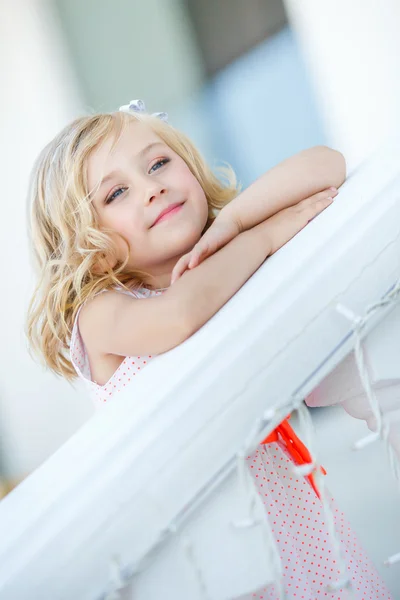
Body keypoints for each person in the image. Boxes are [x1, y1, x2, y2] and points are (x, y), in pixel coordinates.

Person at [26, 100, 392, 599]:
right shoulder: (98, 315)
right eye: (116, 193)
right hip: (211, 552)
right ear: (83, 244)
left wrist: (235, 223)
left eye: (158, 163)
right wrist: (263, 237)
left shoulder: (224, 254)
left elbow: (327, 164)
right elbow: (179, 315)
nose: (153, 186)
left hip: (293, 514)